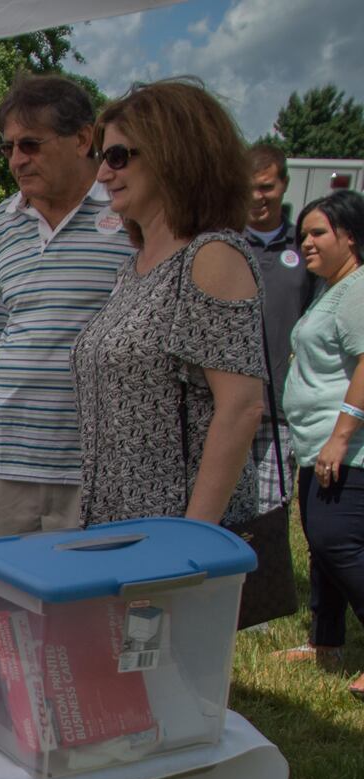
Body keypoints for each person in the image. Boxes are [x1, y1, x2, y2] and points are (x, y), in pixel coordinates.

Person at [69, 80, 266, 528]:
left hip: (177, 542)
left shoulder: (212, 256)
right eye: (102, 158)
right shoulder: (132, 269)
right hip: (120, 529)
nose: (102, 174)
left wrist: (193, 538)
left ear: (174, 155)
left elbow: (240, 407)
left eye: (117, 157)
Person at [0, 74, 135, 538]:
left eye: (31, 144)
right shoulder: (3, 223)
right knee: (1, 603)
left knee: (87, 606)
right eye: (7, 148)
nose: (17, 160)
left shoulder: (130, 214)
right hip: (9, 459)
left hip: (93, 465)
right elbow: (5, 333)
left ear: (84, 138)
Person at [275, 190, 364, 696]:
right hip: (319, 445)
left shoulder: (356, 290)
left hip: (346, 449)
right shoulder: (332, 288)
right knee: (323, 548)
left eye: (318, 233)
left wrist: (341, 436)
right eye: (303, 234)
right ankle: (325, 640)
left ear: (350, 236)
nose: (306, 242)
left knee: (337, 541)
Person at [245, 145, 318, 512]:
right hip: (228, 403)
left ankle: (266, 572)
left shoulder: (305, 248)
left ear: (284, 185)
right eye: (249, 187)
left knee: (270, 509)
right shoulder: (224, 244)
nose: (257, 197)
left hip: (281, 407)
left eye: (266, 187)